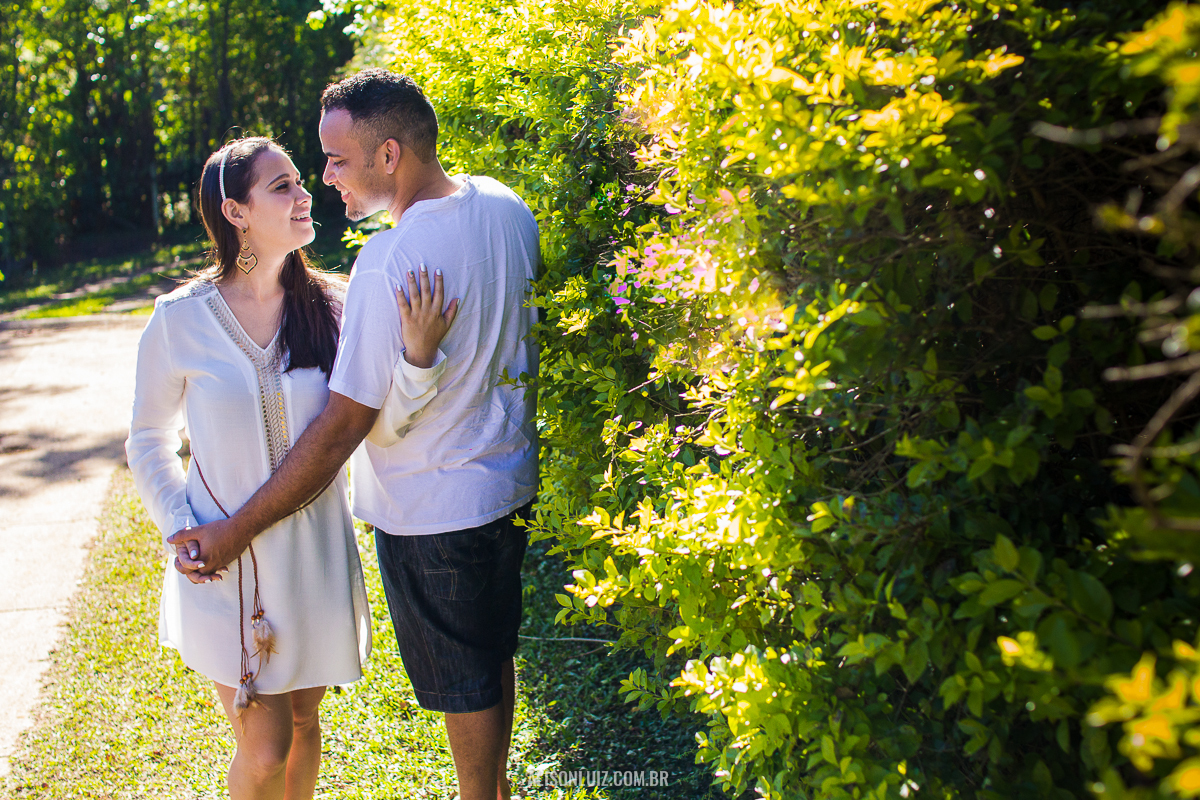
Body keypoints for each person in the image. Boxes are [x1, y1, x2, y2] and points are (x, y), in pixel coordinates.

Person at [171, 70, 540, 800]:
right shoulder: (505, 205)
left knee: (465, 683)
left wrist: (237, 528)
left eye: (337, 159)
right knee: (492, 655)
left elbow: (347, 424)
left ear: (389, 155)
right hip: (509, 489)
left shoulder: (389, 261)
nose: (326, 178)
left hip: (433, 512)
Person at [126, 135, 458, 800]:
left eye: (301, 182)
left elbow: (376, 423)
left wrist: (419, 359)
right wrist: (179, 523)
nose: (306, 195)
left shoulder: (337, 305)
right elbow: (147, 435)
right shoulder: (180, 319)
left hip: (313, 555)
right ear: (236, 212)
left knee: (305, 725)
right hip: (225, 558)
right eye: (282, 187)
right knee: (265, 746)